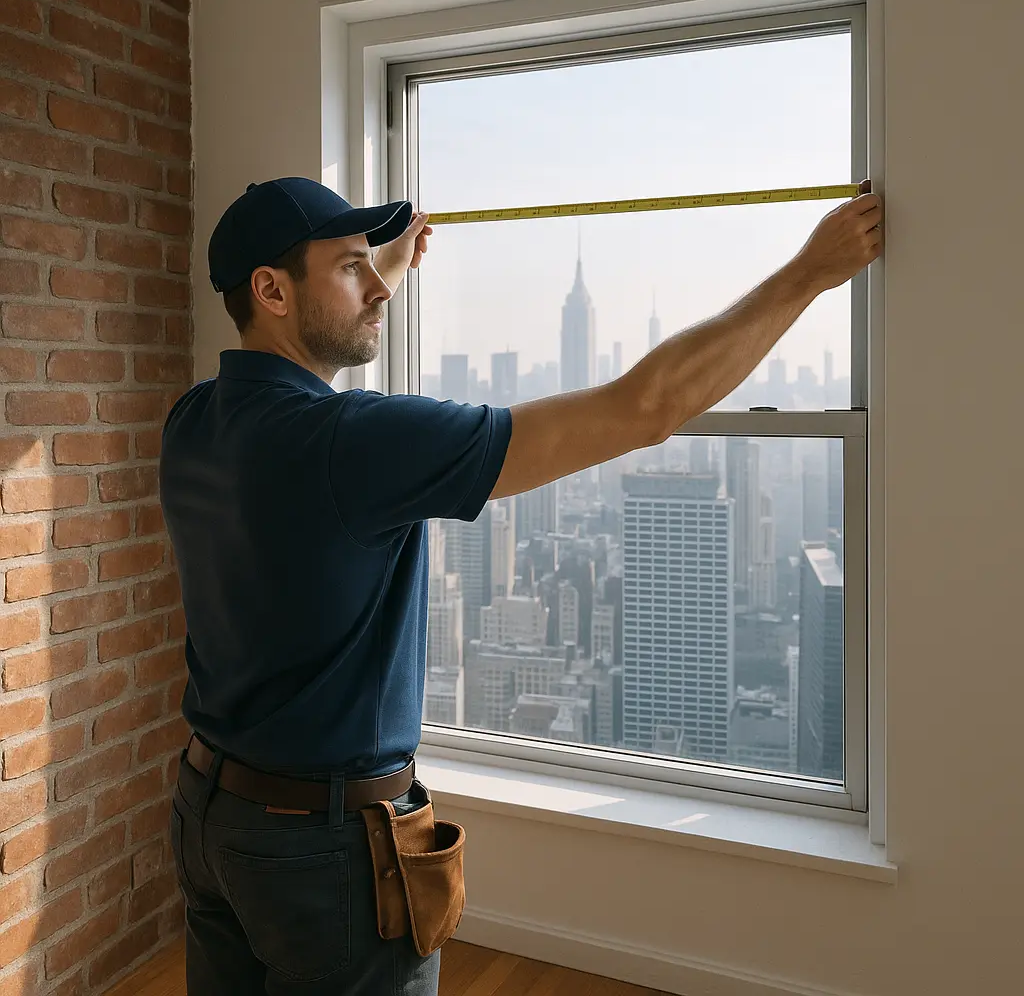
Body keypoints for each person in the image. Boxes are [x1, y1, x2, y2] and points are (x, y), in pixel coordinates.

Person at [161, 176, 882, 995]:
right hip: (322, 852)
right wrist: (810, 273)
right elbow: (644, 406)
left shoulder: (195, 420)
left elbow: (307, 353)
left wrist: (378, 275)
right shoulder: (350, 443)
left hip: (211, 814)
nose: (374, 287)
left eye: (373, 268)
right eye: (349, 267)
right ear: (271, 290)